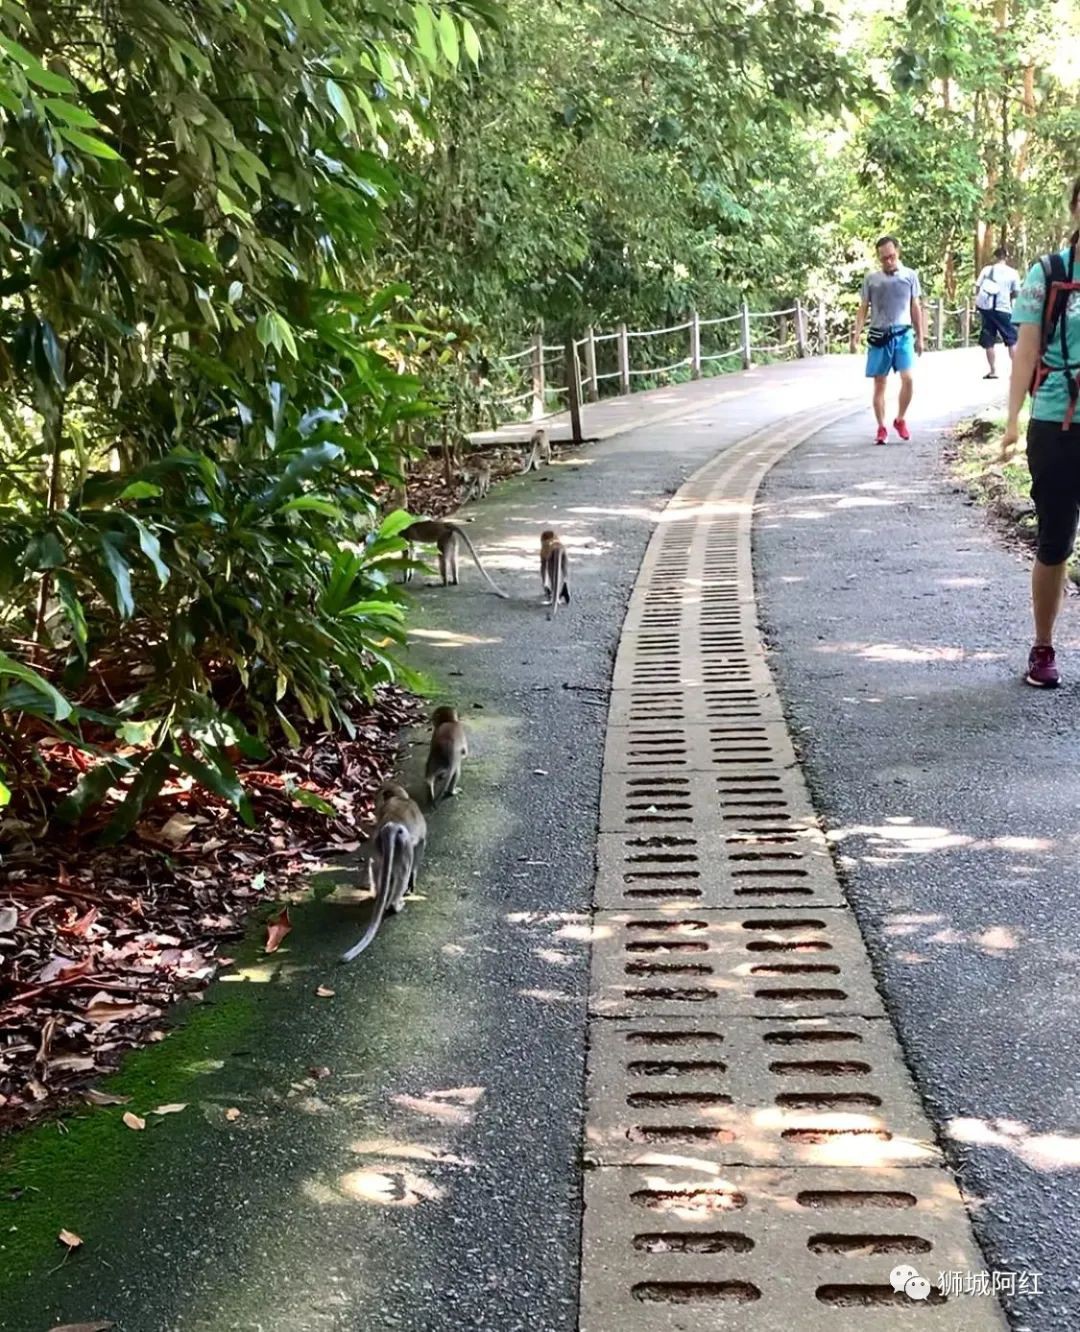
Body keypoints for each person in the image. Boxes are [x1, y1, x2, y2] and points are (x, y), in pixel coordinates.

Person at [1001, 177, 1080, 688]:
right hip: (1056, 424)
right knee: (1056, 539)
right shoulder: (1048, 272)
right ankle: (1043, 647)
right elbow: (1025, 352)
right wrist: (1011, 420)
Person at [850, 235, 925, 445]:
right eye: (884, 258)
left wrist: (920, 336)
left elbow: (915, 306)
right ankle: (881, 426)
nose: (888, 261)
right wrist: (856, 334)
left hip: (903, 333)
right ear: (879, 258)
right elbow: (863, 307)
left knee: (908, 378)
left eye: (891, 256)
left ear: (897, 253)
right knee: (879, 384)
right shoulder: (871, 279)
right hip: (879, 335)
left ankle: (900, 419)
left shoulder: (910, 276)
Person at [974, 246, 1022, 379]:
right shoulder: (1013, 272)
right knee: (1011, 340)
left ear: (995, 257)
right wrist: (1008, 296)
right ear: (1006, 257)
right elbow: (1017, 292)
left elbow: (978, 288)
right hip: (1004, 309)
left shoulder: (987, 270)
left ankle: (993, 370)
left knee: (989, 341)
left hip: (988, 310)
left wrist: (981, 303)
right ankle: (1016, 371)